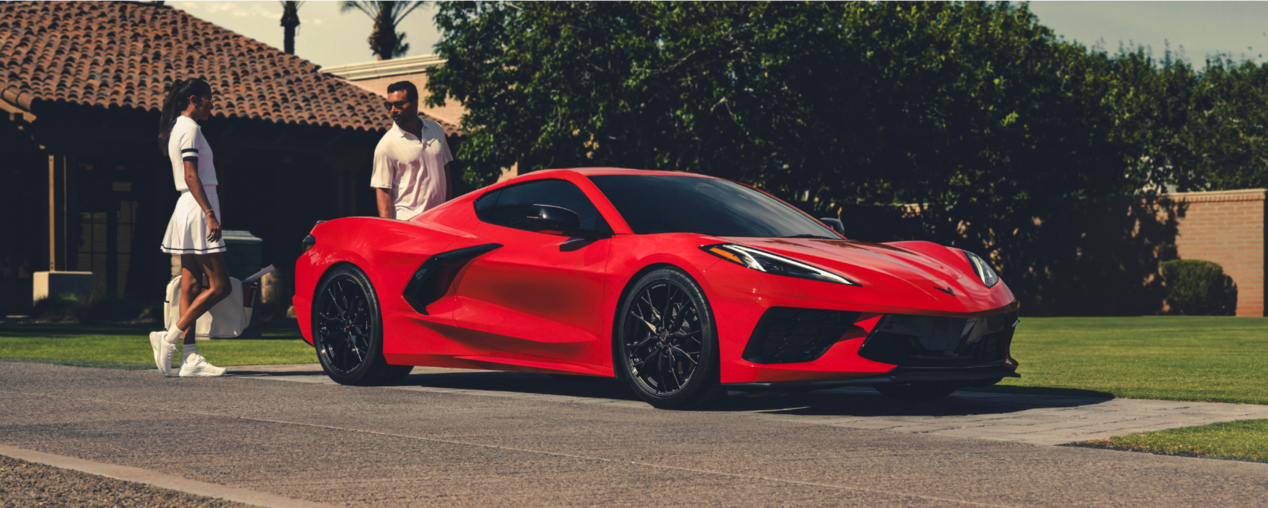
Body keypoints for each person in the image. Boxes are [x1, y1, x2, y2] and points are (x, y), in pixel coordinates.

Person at [148, 77, 231, 377]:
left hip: (188, 206)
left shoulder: (178, 128)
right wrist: (210, 213)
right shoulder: (191, 128)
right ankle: (169, 336)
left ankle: (190, 357)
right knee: (222, 286)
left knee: (191, 285)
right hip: (198, 208)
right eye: (209, 99)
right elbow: (191, 175)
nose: (213, 104)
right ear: (194, 100)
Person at [371, 81, 454, 220]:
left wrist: (447, 208)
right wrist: (387, 227)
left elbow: (445, 170)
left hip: (439, 218)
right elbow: (383, 189)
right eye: (389, 105)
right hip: (408, 222)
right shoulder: (386, 145)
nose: (392, 110)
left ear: (414, 103)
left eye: (398, 105)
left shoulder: (437, 129)